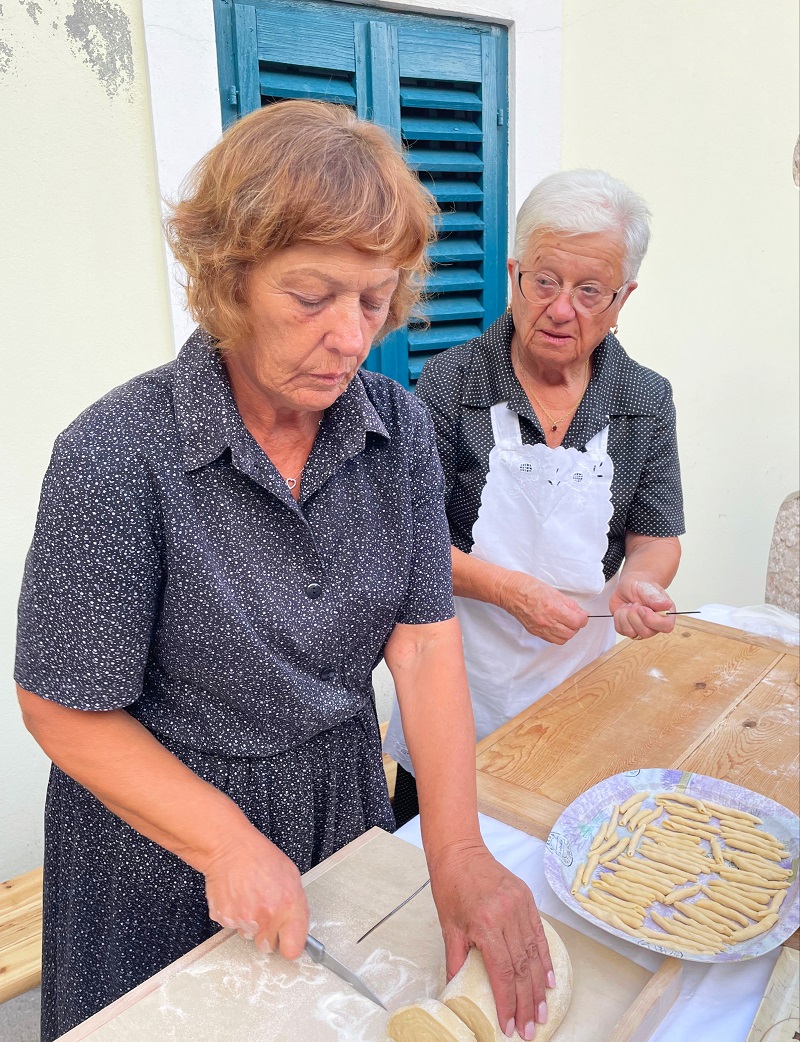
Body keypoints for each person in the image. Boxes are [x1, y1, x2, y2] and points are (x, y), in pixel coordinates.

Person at [15, 101, 553, 1042]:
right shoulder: (116, 454)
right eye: (312, 298)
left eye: (374, 300)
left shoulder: (400, 434)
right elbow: (62, 707)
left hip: (342, 811)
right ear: (228, 279)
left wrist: (456, 847)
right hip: (160, 845)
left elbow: (424, 652)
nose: (352, 336)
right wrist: (223, 838)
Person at [386, 169, 684, 825]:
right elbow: (408, 543)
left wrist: (642, 583)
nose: (560, 308)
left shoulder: (644, 400)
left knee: (561, 849)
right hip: (459, 678)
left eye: (589, 291)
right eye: (544, 281)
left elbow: (656, 533)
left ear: (623, 297)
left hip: (579, 687)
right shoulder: (451, 381)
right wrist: (511, 591)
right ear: (515, 274)